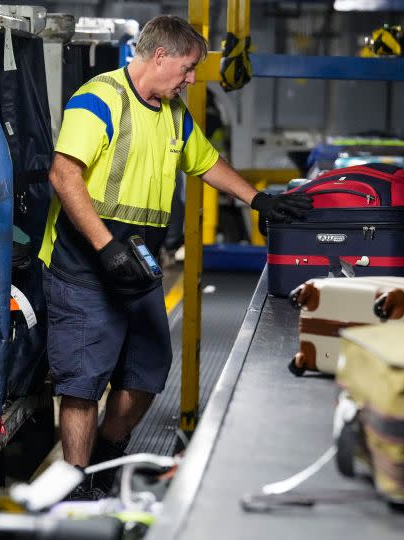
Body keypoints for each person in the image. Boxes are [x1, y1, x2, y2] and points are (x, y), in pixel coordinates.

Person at [39, 15, 312, 498]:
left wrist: (258, 201)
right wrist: (105, 247)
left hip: (136, 262)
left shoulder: (173, 113)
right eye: (187, 68)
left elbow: (206, 161)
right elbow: (64, 176)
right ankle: (76, 491)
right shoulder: (100, 99)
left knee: (147, 373)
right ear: (159, 56)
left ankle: (105, 456)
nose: (190, 79)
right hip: (84, 265)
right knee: (81, 385)